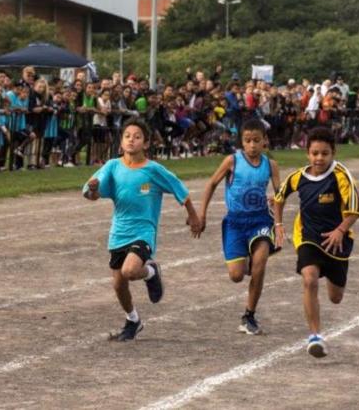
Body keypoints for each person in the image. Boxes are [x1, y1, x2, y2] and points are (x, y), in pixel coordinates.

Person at [83, 118, 200, 341]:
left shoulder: (153, 170)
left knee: (129, 271)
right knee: (119, 284)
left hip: (143, 231)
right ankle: (133, 320)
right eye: (127, 136)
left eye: (137, 137)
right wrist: (93, 189)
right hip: (119, 232)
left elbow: (179, 188)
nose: (131, 140)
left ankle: (151, 272)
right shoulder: (112, 167)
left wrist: (192, 215)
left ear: (145, 143)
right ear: (121, 142)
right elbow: (92, 194)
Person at [273, 126, 359, 358]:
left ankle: (334, 278)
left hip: (337, 241)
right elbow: (279, 198)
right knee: (310, 279)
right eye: (314, 153)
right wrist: (279, 225)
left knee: (335, 297)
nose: (319, 158)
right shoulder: (298, 177)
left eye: (324, 153)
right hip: (308, 237)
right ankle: (315, 336)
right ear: (307, 153)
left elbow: (354, 211)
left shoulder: (342, 176)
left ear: (333, 153)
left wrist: (340, 231)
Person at [195, 118, 282, 335]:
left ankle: (249, 315)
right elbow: (212, 184)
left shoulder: (270, 165)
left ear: (265, 142)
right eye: (248, 141)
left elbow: (280, 194)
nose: (252, 145)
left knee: (260, 263)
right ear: (241, 142)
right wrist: (202, 214)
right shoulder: (232, 161)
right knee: (236, 275)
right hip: (235, 222)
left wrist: (278, 219)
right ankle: (251, 260)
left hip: (261, 220)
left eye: (256, 140)